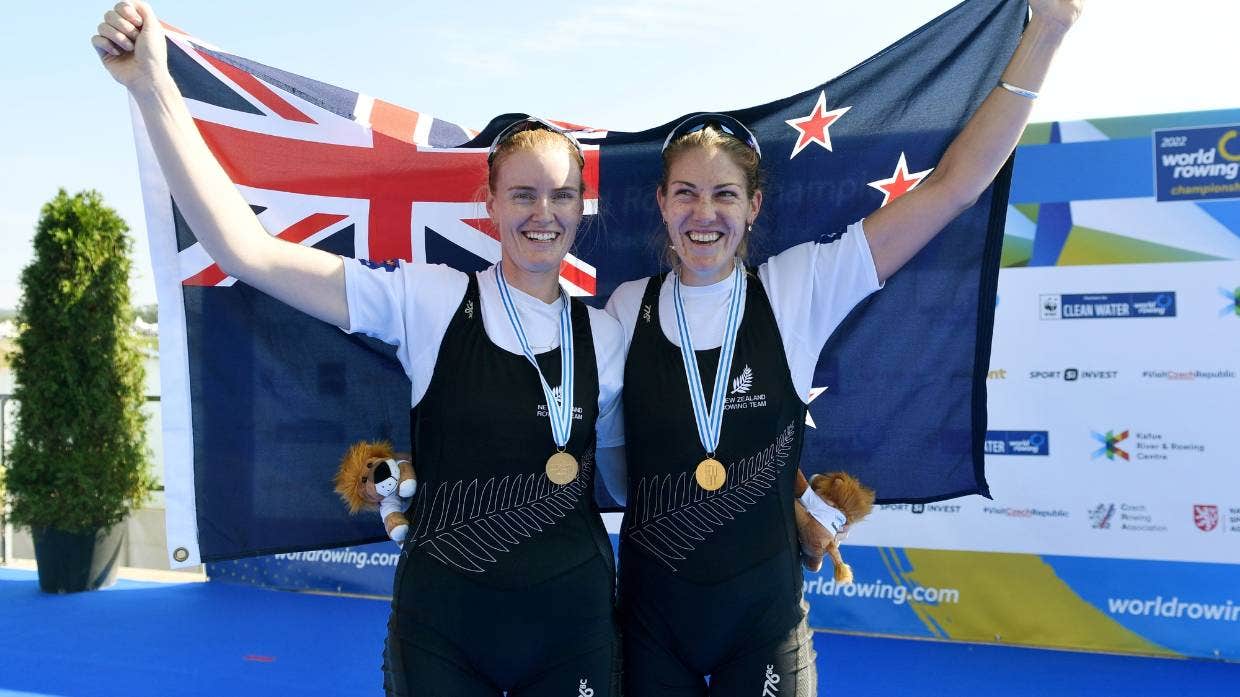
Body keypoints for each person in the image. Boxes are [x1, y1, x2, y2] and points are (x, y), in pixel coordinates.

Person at [92, 4, 627, 694]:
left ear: (582, 205)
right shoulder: (429, 300)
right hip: (445, 628)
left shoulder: (609, 334)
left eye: (560, 195)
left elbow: (636, 474)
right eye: (521, 193)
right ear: (488, 204)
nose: (542, 212)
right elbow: (245, 250)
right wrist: (151, 87)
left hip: (571, 625)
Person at [604, 2, 1082, 694]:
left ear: (754, 207)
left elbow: (954, 188)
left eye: (724, 194)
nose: (704, 212)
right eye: (686, 192)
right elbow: (614, 466)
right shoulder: (627, 307)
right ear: (661, 202)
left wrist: (1048, 32)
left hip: (762, 623)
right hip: (650, 622)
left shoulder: (800, 286)